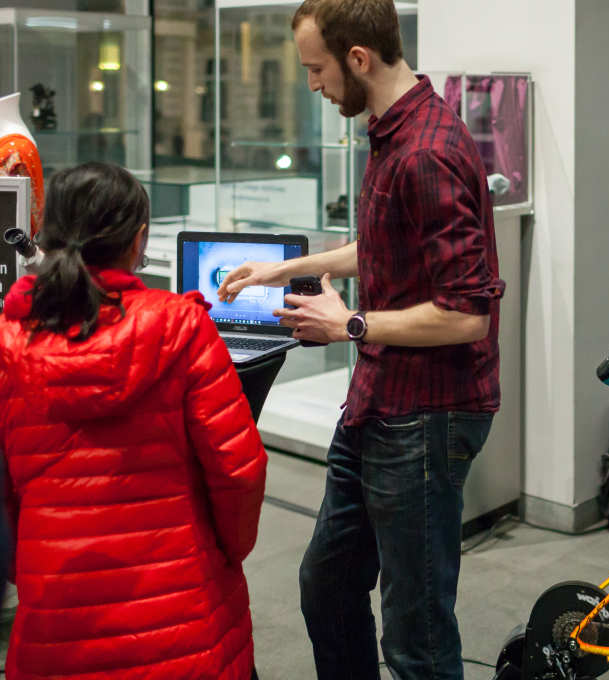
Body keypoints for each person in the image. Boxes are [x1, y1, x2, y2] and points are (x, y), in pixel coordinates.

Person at [216, 1, 505, 678]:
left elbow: (466, 314)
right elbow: (382, 245)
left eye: (316, 70)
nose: (313, 86)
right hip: (379, 403)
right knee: (328, 584)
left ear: (357, 59)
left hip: (426, 418)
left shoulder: (428, 151)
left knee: (418, 634)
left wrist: (345, 325)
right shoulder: (393, 134)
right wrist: (287, 267)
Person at [0, 162, 267, 679]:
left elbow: (4, 492)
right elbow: (239, 469)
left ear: (49, 233)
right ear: (138, 238)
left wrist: (30, 567)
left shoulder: (11, 342)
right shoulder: (182, 326)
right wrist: (224, 554)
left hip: (57, 614)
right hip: (183, 615)